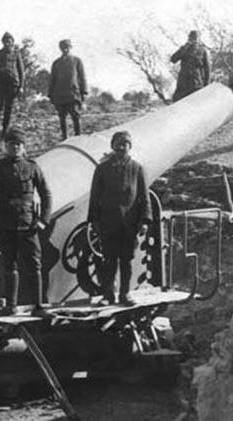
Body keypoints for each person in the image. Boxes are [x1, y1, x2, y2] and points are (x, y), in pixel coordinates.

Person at [0, 128, 51, 315]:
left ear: (24, 147)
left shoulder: (32, 167)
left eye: (18, 144)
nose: (15, 148)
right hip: (4, 224)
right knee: (9, 264)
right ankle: (11, 305)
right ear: (5, 146)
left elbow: (46, 194)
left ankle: (38, 305)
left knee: (34, 264)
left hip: (28, 224)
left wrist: (43, 220)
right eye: (11, 144)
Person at [87, 131, 152, 306]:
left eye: (125, 144)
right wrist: (94, 220)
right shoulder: (102, 169)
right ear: (112, 146)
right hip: (108, 222)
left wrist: (145, 221)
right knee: (109, 260)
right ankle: (108, 295)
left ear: (129, 147)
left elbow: (144, 197)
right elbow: (95, 196)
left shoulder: (137, 168)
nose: (121, 147)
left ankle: (125, 294)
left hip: (129, 224)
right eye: (117, 144)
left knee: (127, 261)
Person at [0, 32, 24, 141]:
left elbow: (21, 71)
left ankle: (4, 131)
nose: (7, 43)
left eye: (9, 41)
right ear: (3, 42)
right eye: (5, 41)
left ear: (12, 42)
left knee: (9, 108)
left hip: (13, 84)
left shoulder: (16, 54)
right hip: (1, 84)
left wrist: (21, 86)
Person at [49, 39, 88, 141]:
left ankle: (78, 139)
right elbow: (52, 79)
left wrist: (83, 93)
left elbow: (82, 77)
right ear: (60, 49)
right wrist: (51, 95)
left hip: (73, 94)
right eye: (63, 48)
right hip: (60, 95)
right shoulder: (56, 63)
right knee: (62, 118)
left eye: (67, 47)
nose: (65, 49)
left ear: (71, 47)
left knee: (75, 116)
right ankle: (65, 139)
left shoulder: (77, 61)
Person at [170, 30, 211, 102]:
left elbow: (207, 69)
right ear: (189, 38)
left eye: (196, 38)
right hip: (183, 84)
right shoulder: (184, 49)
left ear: (199, 39)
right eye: (192, 38)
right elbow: (173, 59)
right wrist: (185, 47)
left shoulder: (203, 51)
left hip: (196, 84)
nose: (194, 40)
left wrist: (206, 86)